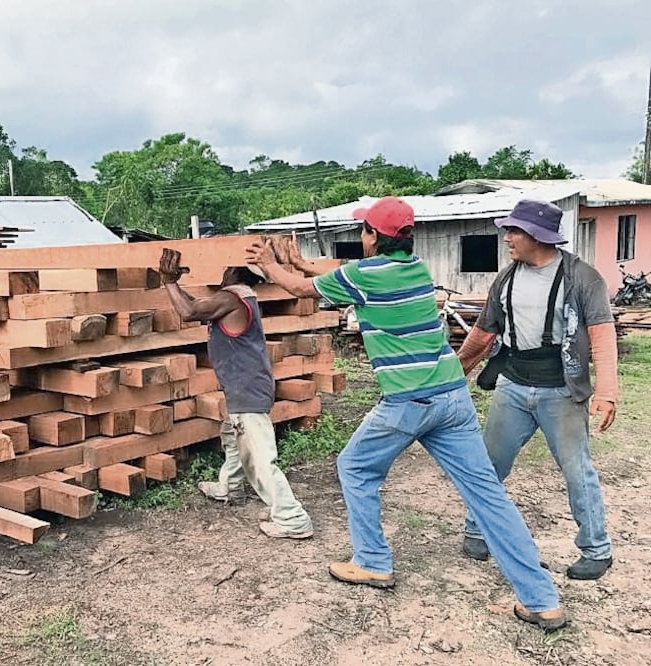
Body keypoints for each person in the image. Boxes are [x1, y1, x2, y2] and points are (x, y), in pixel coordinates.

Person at [245, 196, 566, 631]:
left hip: (408, 401)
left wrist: (269, 265)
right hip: (452, 397)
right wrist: (299, 264)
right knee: (488, 495)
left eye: (364, 230)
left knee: (355, 466)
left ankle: (372, 561)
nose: (362, 237)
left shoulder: (365, 276)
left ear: (373, 237)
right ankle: (542, 600)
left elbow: (305, 290)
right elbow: (336, 275)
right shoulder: (414, 269)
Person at [457, 199, 618, 581]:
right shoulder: (506, 278)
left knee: (577, 471)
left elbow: (601, 335)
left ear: (537, 236)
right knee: (488, 465)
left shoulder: (583, 278)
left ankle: (596, 550)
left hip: (561, 391)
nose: (507, 238)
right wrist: (453, 372)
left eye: (514, 231)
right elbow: (483, 333)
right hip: (512, 385)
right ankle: (477, 531)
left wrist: (607, 391)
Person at [158, 248, 314, 539]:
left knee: (259, 457)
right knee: (232, 436)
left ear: (232, 270)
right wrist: (175, 285)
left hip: (247, 388)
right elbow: (200, 307)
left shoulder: (231, 298)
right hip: (247, 385)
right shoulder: (242, 296)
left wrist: (168, 282)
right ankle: (229, 487)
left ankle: (292, 518)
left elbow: (189, 312)